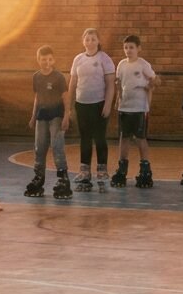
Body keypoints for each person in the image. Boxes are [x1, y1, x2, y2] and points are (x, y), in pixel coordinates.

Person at [65, 28, 116, 193]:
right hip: (82, 104)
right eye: (87, 39)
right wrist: (69, 106)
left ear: (98, 41)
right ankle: (84, 172)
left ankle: (102, 172)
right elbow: (72, 84)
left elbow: (110, 85)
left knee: (100, 138)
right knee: (85, 138)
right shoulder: (78, 59)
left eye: (93, 39)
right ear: (83, 41)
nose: (90, 42)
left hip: (99, 104)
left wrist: (107, 105)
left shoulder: (104, 58)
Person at [111, 35, 157, 189]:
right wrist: (118, 98)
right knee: (124, 138)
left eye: (131, 47)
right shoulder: (121, 65)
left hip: (139, 108)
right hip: (125, 107)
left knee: (140, 138)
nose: (128, 50)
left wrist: (147, 85)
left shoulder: (143, 64)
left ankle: (145, 170)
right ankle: (122, 170)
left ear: (138, 48)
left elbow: (155, 80)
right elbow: (119, 82)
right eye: (126, 48)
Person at [26, 45, 71, 200]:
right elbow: (37, 97)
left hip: (56, 116)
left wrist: (66, 116)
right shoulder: (36, 77)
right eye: (43, 59)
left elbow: (65, 96)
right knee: (39, 147)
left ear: (54, 60)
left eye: (50, 59)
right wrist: (33, 116)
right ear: (38, 60)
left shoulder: (58, 77)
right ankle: (39, 177)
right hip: (42, 116)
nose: (47, 62)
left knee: (57, 146)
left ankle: (63, 178)